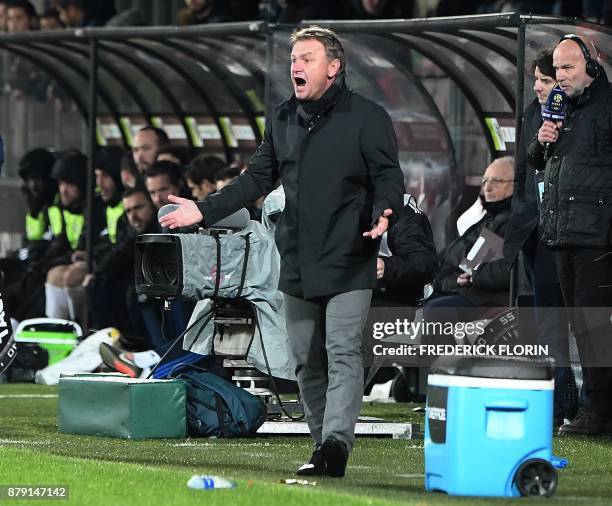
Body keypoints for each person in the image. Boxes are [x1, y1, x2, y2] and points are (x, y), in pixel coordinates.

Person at [160, 26, 404, 477]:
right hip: (298, 260)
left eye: (306, 58)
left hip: (351, 256)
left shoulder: (368, 117)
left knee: (344, 351)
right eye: (293, 58)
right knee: (306, 361)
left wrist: (384, 211)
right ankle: (322, 447)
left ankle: (335, 446)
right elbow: (255, 180)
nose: (296, 66)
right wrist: (204, 210)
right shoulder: (282, 118)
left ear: (333, 67)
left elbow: (388, 177)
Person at [529, 35, 612, 436]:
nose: (559, 77)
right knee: (582, 326)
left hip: (597, 236)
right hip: (562, 233)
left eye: (568, 68)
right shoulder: (561, 108)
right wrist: (541, 141)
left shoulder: (608, 108)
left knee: (594, 326)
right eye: (557, 69)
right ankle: (591, 407)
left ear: (593, 67)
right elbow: (535, 160)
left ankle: (597, 411)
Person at [504, 49, 577, 428]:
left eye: (545, 80)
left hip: (565, 230)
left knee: (559, 319)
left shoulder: (576, 114)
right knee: (540, 317)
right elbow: (523, 170)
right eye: (536, 80)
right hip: (532, 229)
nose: (538, 87)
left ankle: (563, 397)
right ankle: (555, 396)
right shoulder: (532, 113)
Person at [426, 157, 514, 316]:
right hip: (466, 286)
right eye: (485, 181)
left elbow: (471, 266)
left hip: (485, 296)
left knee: (436, 310)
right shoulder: (491, 217)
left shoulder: (506, 221)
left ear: (516, 184)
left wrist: (459, 279)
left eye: (496, 181)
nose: (487, 188)